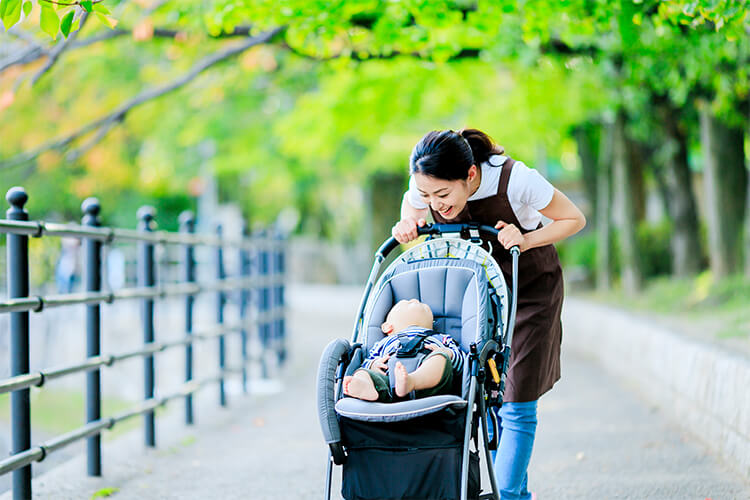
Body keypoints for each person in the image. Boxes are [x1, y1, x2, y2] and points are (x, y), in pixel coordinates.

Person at [391, 129, 586, 500]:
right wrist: (407, 225)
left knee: (517, 399)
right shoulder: (425, 189)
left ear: (470, 174)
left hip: (530, 293)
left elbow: (574, 219)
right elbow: (413, 215)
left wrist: (526, 239)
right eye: (427, 195)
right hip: (478, 298)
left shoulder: (517, 180)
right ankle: (514, 492)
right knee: (488, 399)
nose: (436, 203)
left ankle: (507, 495)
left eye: (443, 195)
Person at [343, 299, 464, 403]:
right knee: (362, 371)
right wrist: (374, 364)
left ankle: (411, 381)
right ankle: (367, 386)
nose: (415, 300)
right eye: (406, 303)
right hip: (388, 381)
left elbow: (461, 360)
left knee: (441, 358)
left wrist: (446, 353)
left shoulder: (441, 337)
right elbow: (367, 361)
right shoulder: (384, 342)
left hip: (429, 385)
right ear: (387, 327)